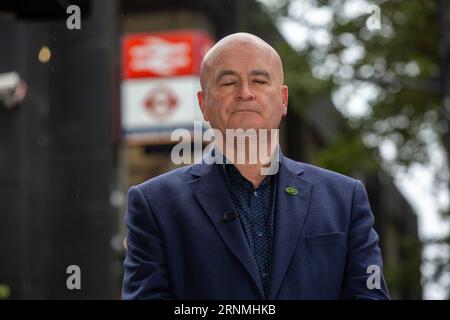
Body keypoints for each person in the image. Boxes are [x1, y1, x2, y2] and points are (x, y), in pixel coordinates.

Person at [122, 32, 390, 300]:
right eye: (228, 82)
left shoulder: (346, 199)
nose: (245, 93)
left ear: (283, 100)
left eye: (259, 81)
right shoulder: (153, 205)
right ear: (203, 104)